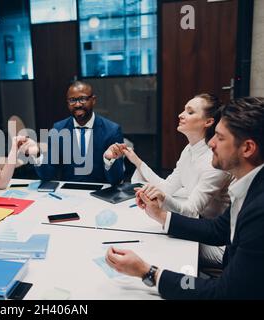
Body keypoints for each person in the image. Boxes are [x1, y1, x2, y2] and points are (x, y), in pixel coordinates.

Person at [105, 97, 264, 299]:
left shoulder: (259, 211)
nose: (211, 143)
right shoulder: (248, 186)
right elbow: (217, 230)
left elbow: (222, 292)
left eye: (220, 138)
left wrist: (149, 273)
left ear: (248, 148)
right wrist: (160, 216)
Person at [108, 94, 232, 267]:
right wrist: (135, 160)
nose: (181, 114)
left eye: (189, 112)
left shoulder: (214, 161)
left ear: (208, 122)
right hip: (198, 225)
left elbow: (191, 211)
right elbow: (167, 186)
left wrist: (163, 200)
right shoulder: (189, 149)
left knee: (151, 246)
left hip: (217, 242)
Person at [20, 81, 124, 185]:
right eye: (72, 100)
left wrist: (108, 160)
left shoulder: (112, 131)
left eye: (82, 99)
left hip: (102, 193)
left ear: (93, 100)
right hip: (70, 192)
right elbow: (48, 175)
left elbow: (117, 179)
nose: (78, 104)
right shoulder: (58, 129)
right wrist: (38, 155)